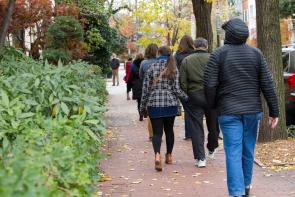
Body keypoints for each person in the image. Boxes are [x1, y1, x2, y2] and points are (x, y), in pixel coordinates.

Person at [203, 18, 279, 197]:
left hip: (228, 111)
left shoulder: (218, 54)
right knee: (248, 150)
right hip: (252, 111)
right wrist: (274, 111)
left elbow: (209, 85)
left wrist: (213, 106)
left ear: (228, 35)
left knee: (233, 152)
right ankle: (246, 187)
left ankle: (236, 193)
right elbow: (267, 83)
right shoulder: (256, 54)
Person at [140, 46, 188, 171]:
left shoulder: (151, 68)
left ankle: (157, 155)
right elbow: (177, 89)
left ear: (158, 54)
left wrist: (142, 107)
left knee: (157, 133)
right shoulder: (173, 68)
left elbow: (145, 90)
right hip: (170, 103)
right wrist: (187, 98)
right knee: (169, 130)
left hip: (154, 103)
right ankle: (169, 156)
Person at [180, 38, 220, 168]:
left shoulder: (187, 60)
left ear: (195, 46)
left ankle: (200, 157)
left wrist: (186, 96)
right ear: (207, 45)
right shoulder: (214, 58)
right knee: (213, 123)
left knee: (196, 127)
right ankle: (212, 147)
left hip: (194, 96)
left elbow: (183, 82)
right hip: (212, 96)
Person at [175, 35, 195, 140]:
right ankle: (196, 131)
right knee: (195, 110)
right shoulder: (195, 53)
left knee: (187, 110)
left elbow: (175, 71)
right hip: (195, 85)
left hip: (182, 86)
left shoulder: (177, 55)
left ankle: (189, 134)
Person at [140, 43, 159, 141]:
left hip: (148, 90)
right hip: (159, 90)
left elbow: (141, 77)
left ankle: (152, 135)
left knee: (150, 115)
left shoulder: (144, 63)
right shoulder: (160, 62)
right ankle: (158, 133)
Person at [128, 53, 144, 121]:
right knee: (146, 99)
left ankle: (141, 114)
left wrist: (129, 89)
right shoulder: (144, 63)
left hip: (136, 85)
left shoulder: (133, 65)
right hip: (144, 83)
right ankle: (145, 112)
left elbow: (130, 77)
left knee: (139, 101)